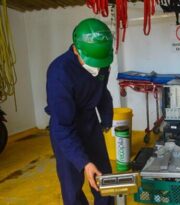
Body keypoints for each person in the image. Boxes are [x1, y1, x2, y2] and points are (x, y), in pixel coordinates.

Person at [45, 18, 114, 205]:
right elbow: (62, 127)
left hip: (90, 122)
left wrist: (106, 117)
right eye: (93, 62)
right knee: (72, 185)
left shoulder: (101, 60)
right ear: (76, 49)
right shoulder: (60, 73)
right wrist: (84, 163)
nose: (98, 67)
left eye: (102, 62)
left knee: (103, 179)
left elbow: (102, 91)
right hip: (66, 125)